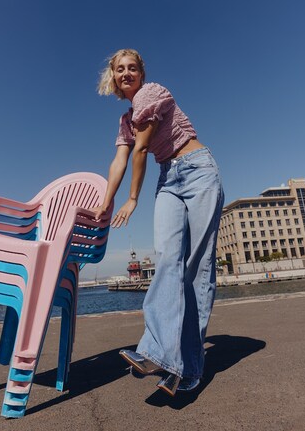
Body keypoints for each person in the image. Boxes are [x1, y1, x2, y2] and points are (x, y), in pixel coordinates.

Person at [92, 49, 224, 396]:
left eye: (132, 68)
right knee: (167, 258)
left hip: (197, 170)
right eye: (120, 69)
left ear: (141, 73)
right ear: (114, 76)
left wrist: (132, 198)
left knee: (197, 269)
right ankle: (163, 355)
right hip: (168, 178)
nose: (126, 73)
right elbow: (119, 160)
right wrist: (105, 204)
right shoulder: (125, 120)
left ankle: (187, 367)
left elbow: (140, 150)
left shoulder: (152, 93)